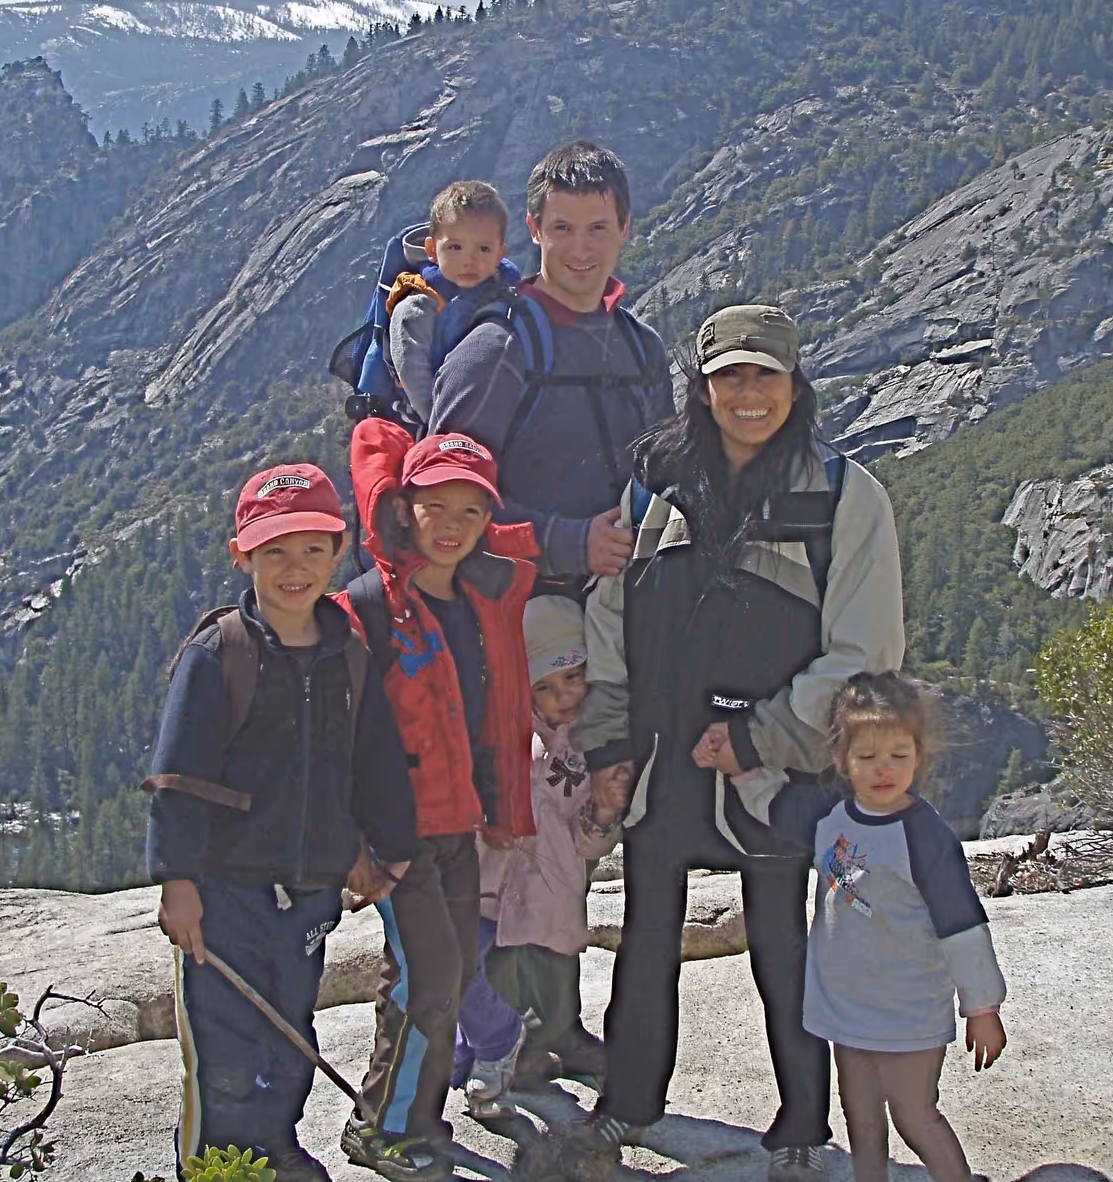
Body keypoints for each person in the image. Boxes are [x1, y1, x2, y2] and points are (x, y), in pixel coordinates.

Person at [567, 303, 907, 1182]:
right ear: (703, 387)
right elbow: (610, 619)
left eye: (765, 376)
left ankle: (801, 1123)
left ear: (795, 385)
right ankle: (629, 1105)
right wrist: (608, 745)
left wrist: (761, 735)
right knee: (645, 937)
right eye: (729, 378)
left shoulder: (842, 494)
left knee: (784, 941)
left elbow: (866, 648)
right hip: (660, 755)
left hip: (773, 770)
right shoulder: (656, 487)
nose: (747, 395)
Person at [146, 464, 419, 1182]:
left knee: (291, 1028)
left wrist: (382, 850)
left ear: (339, 550)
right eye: (274, 552)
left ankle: (275, 1146)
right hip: (226, 888)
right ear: (243, 556)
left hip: (309, 891)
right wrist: (178, 881)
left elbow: (372, 761)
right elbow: (178, 778)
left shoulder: (349, 655)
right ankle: (217, 1166)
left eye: (309, 551)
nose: (293, 569)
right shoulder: (218, 656)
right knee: (224, 1042)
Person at [339, 422, 540, 1179]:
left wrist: (502, 810)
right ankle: (386, 1129)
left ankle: (409, 1118)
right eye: (435, 507)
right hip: (398, 835)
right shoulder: (366, 612)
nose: (452, 527)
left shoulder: (479, 602)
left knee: (445, 979)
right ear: (405, 507)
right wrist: (354, 844)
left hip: (457, 825)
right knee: (428, 979)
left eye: (471, 512)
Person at [771, 673, 1008, 1182]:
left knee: (914, 1115)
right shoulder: (832, 822)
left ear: (918, 757)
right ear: (842, 760)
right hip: (846, 1005)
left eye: (898, 756)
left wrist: (982, 1007)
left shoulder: (925, 836)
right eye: (868, 757)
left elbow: (962, 925)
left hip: (908, 1009)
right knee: (860, 1115)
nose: (884, 770)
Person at [428, 140, 675, 584]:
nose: (580, 249)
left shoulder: (642, 347)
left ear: (625, 228)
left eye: (598, 228)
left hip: (637, 600)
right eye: (562, 228)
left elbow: (667, 474)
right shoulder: (496, 349)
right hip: (526, 610)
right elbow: (439, 504)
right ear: (534, 228)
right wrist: (571, 543)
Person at [460, 595, 626, 1107]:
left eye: (574, 678)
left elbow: (588, 840)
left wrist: (603, 813)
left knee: (556, 969)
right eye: (546, 687)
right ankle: (514, 1049)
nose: (564, 697)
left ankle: (563, 1037)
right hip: (498, 890)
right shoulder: (502, 733)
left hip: (556, 888)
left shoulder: (594, 744)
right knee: (501, 970)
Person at [388, 180, 519, 424]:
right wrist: (437, 423)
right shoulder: (418, 305)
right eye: (455, 247)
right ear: (432, 250)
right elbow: (412, 373)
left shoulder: (508, 292)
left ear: (501, 254)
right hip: (437, 421)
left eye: (483, 249)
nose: (468, 260)